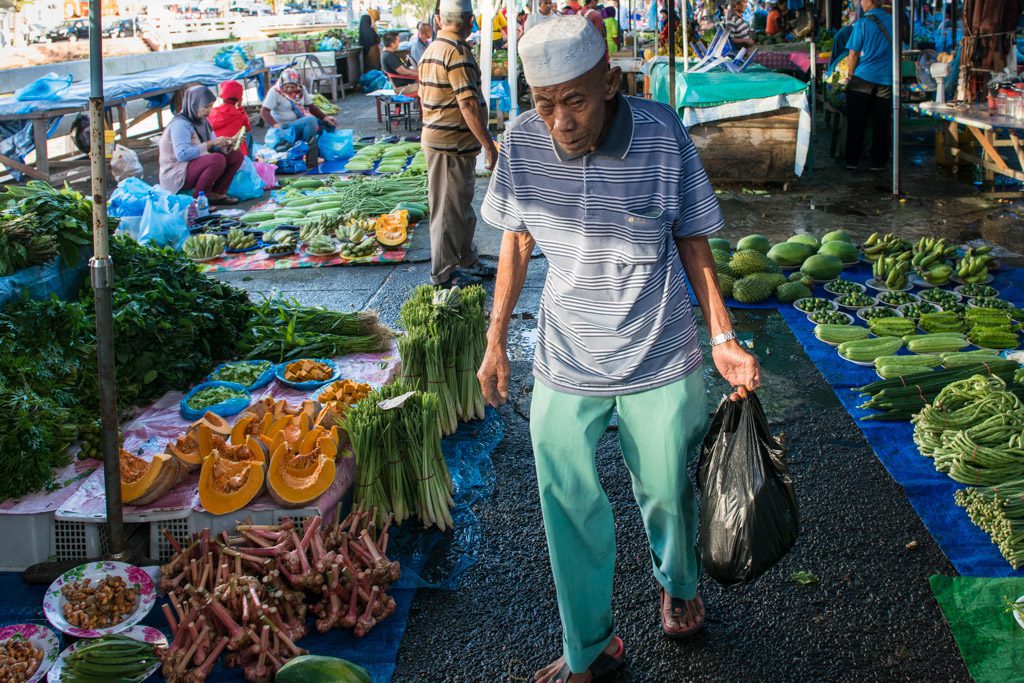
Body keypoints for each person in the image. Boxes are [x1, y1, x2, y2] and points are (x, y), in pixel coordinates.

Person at [478, 15, 760, 683]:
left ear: (609, 81)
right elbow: (516, 241)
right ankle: (591, 644)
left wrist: (721, 335)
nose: (560, 122)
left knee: (667, 489)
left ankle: (680, 582)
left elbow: (693, 236)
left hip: (658, 351)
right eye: (544, 103)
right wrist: (496, 338)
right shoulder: (520, 143)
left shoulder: (663, 134)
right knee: (565, 501)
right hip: (566, 356)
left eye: (575, 101)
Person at [418, 0, 498, 288]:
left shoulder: (432, 50)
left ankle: (466, 259)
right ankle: (445, 273)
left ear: (441, 21)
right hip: (448, 145)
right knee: (447, 211)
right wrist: (488, 144)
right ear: (468, 21)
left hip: (447, 142)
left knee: (460, 207)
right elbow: (468, 103)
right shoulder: (456, 52)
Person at [158, 86, 244, 204]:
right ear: (193, 104)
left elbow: (214, 146)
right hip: (177, 173)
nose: (209, 111)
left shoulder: (203, 121)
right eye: (206, 107)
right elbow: (182, 155)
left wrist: (230, 142)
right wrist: (210, 143)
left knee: (236, 154)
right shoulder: (180, 125)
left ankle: (217, 193)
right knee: (216, 160)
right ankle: (198, 202)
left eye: (211, 107)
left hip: (195, 165)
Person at [844, 0, 893, 171]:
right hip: (887, 79)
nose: (860, 3)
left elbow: (853, 54)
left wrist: (850, 76)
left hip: (863, 79)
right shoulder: (892, 21)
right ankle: (878, 162)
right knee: (882, 123)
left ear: (870, 2)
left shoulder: (862, 24)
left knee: (856, 122)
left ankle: (852, 161)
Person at [260, 69, 338, 153]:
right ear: (282, 83)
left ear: (298, 84)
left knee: (329, 124)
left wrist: (325, 117)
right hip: (285, 128)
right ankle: (308, 151)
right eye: (286, 86)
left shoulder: (301, 89)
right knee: (311, 120)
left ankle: (320, 149)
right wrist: (275, 125)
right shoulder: (275, 92)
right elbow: (264, 111)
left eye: (292, 87)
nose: (289, 89)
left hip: (300, 122)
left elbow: (310, 106)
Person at [208, 80, 252, 157]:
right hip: (236, 152)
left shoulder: (212, 112)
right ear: (239, 99)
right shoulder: (241, 115)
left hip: (216, 150)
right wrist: (240, 108)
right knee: (247, 136)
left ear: (221, 96)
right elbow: (248, 128)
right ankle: (249, 160)